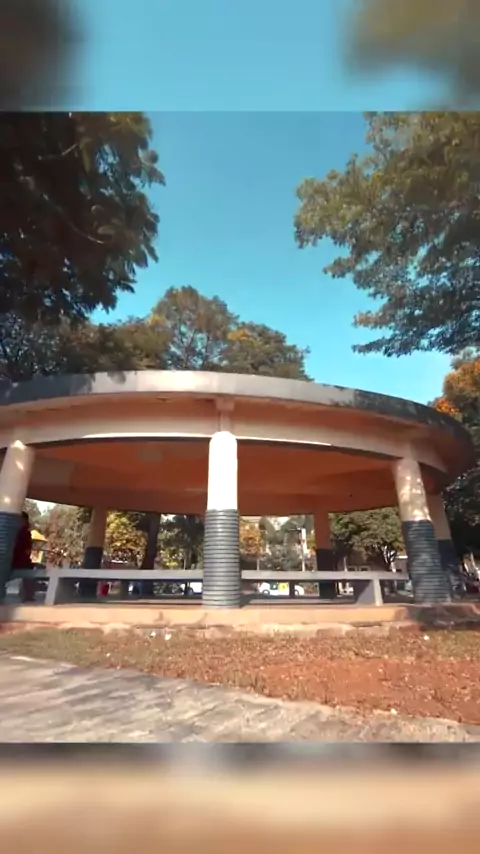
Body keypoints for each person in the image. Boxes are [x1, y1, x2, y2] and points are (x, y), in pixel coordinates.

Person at [12, 511, 35, 602]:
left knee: (28, 574)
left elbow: (27, 548)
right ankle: (28, 595)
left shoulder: (23, 532)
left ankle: (28, 594)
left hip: (19, 560)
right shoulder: (20, 531)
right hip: (18, 559)